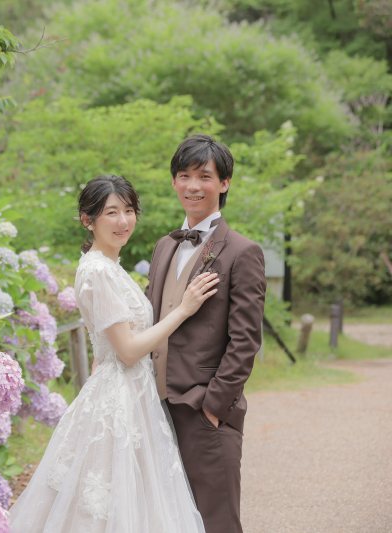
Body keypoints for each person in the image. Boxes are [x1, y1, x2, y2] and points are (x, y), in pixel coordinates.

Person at [8, 174, 218, 533]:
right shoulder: (97, 272)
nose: (123, 222)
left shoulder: (108, 267)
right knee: (107, 506)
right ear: (88, 220)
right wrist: (183, 310)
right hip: (118, 396)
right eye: (111, 213)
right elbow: (128, 351)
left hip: (126, 394)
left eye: (129, 211)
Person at [144, 134, 266, 533]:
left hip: (203, 412)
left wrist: (214, 406)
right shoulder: (164, 246)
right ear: (174, 182)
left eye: (204, 176)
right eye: (183, 176)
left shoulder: (242, 251)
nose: (193, 186)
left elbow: (245, 339)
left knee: (216, 523)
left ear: (224, 183)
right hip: (154, 410)